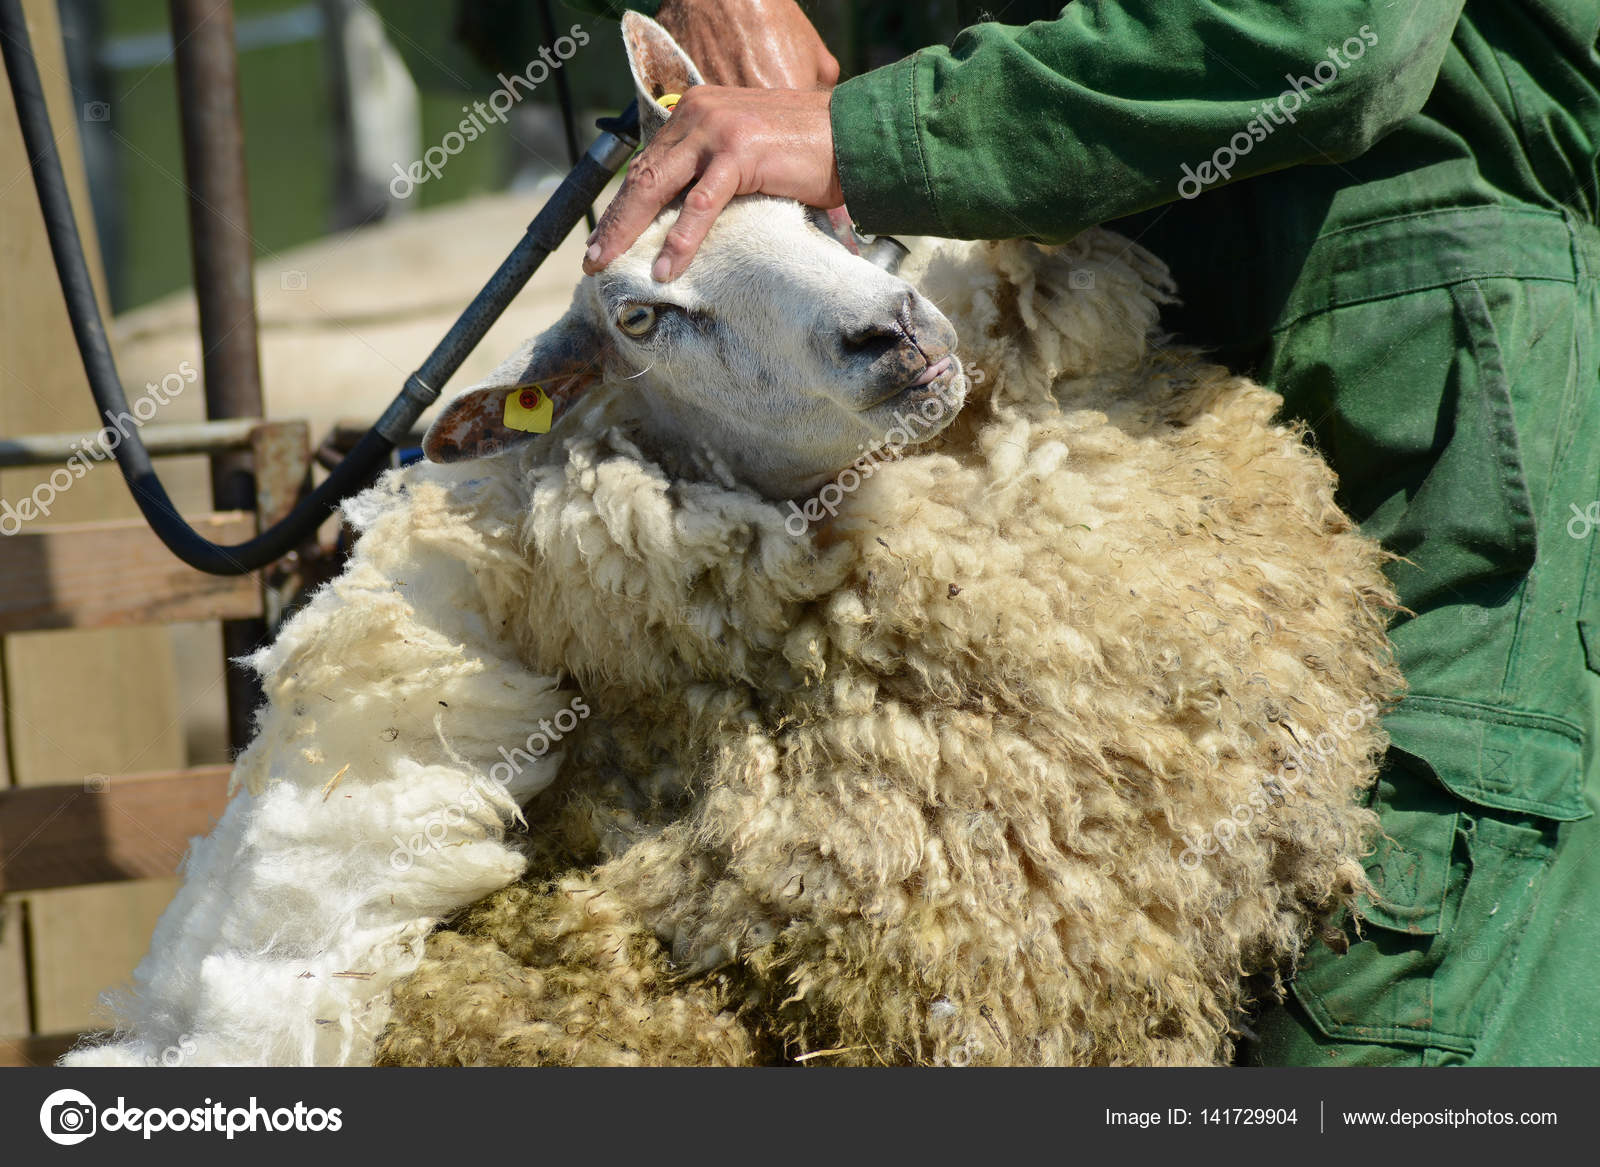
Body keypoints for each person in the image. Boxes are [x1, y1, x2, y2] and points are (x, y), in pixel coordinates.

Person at [562, 0, 1600, 1066]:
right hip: (1071, 328)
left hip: (1402, 361)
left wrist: (863, 136)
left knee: (1373, 989)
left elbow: (1337, 33)